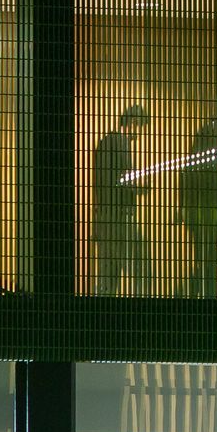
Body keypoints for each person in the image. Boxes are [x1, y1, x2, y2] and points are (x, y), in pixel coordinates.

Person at [178, 85, 217, 301]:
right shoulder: (211, 133)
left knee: (206, 261)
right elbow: (196, 173)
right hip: (204, 211)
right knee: (207, 262)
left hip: (204, 211)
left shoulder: (213, 133)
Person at [90, 103, 149, 295]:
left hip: (105, 218)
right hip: (119, 218)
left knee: (108, 275)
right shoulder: (120, 142)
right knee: (139, 268)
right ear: (133, 123)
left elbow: (108, 181)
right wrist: (140, 187)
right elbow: (122, 179)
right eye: (141, 127)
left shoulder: (105, 143)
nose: (139, 135)